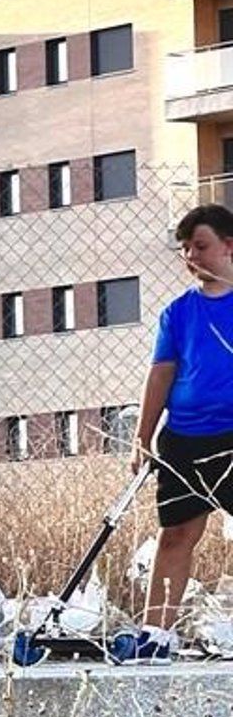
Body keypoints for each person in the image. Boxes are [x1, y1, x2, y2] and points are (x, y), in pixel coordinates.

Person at [113, 203, 233, 664]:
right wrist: (142, 437)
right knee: (176, 532)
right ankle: (156, 634)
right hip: (185, 438)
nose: (191, 256)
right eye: (185, 249)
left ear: (228, 246)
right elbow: (161, 374)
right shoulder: (178, 313)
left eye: (200, 246)